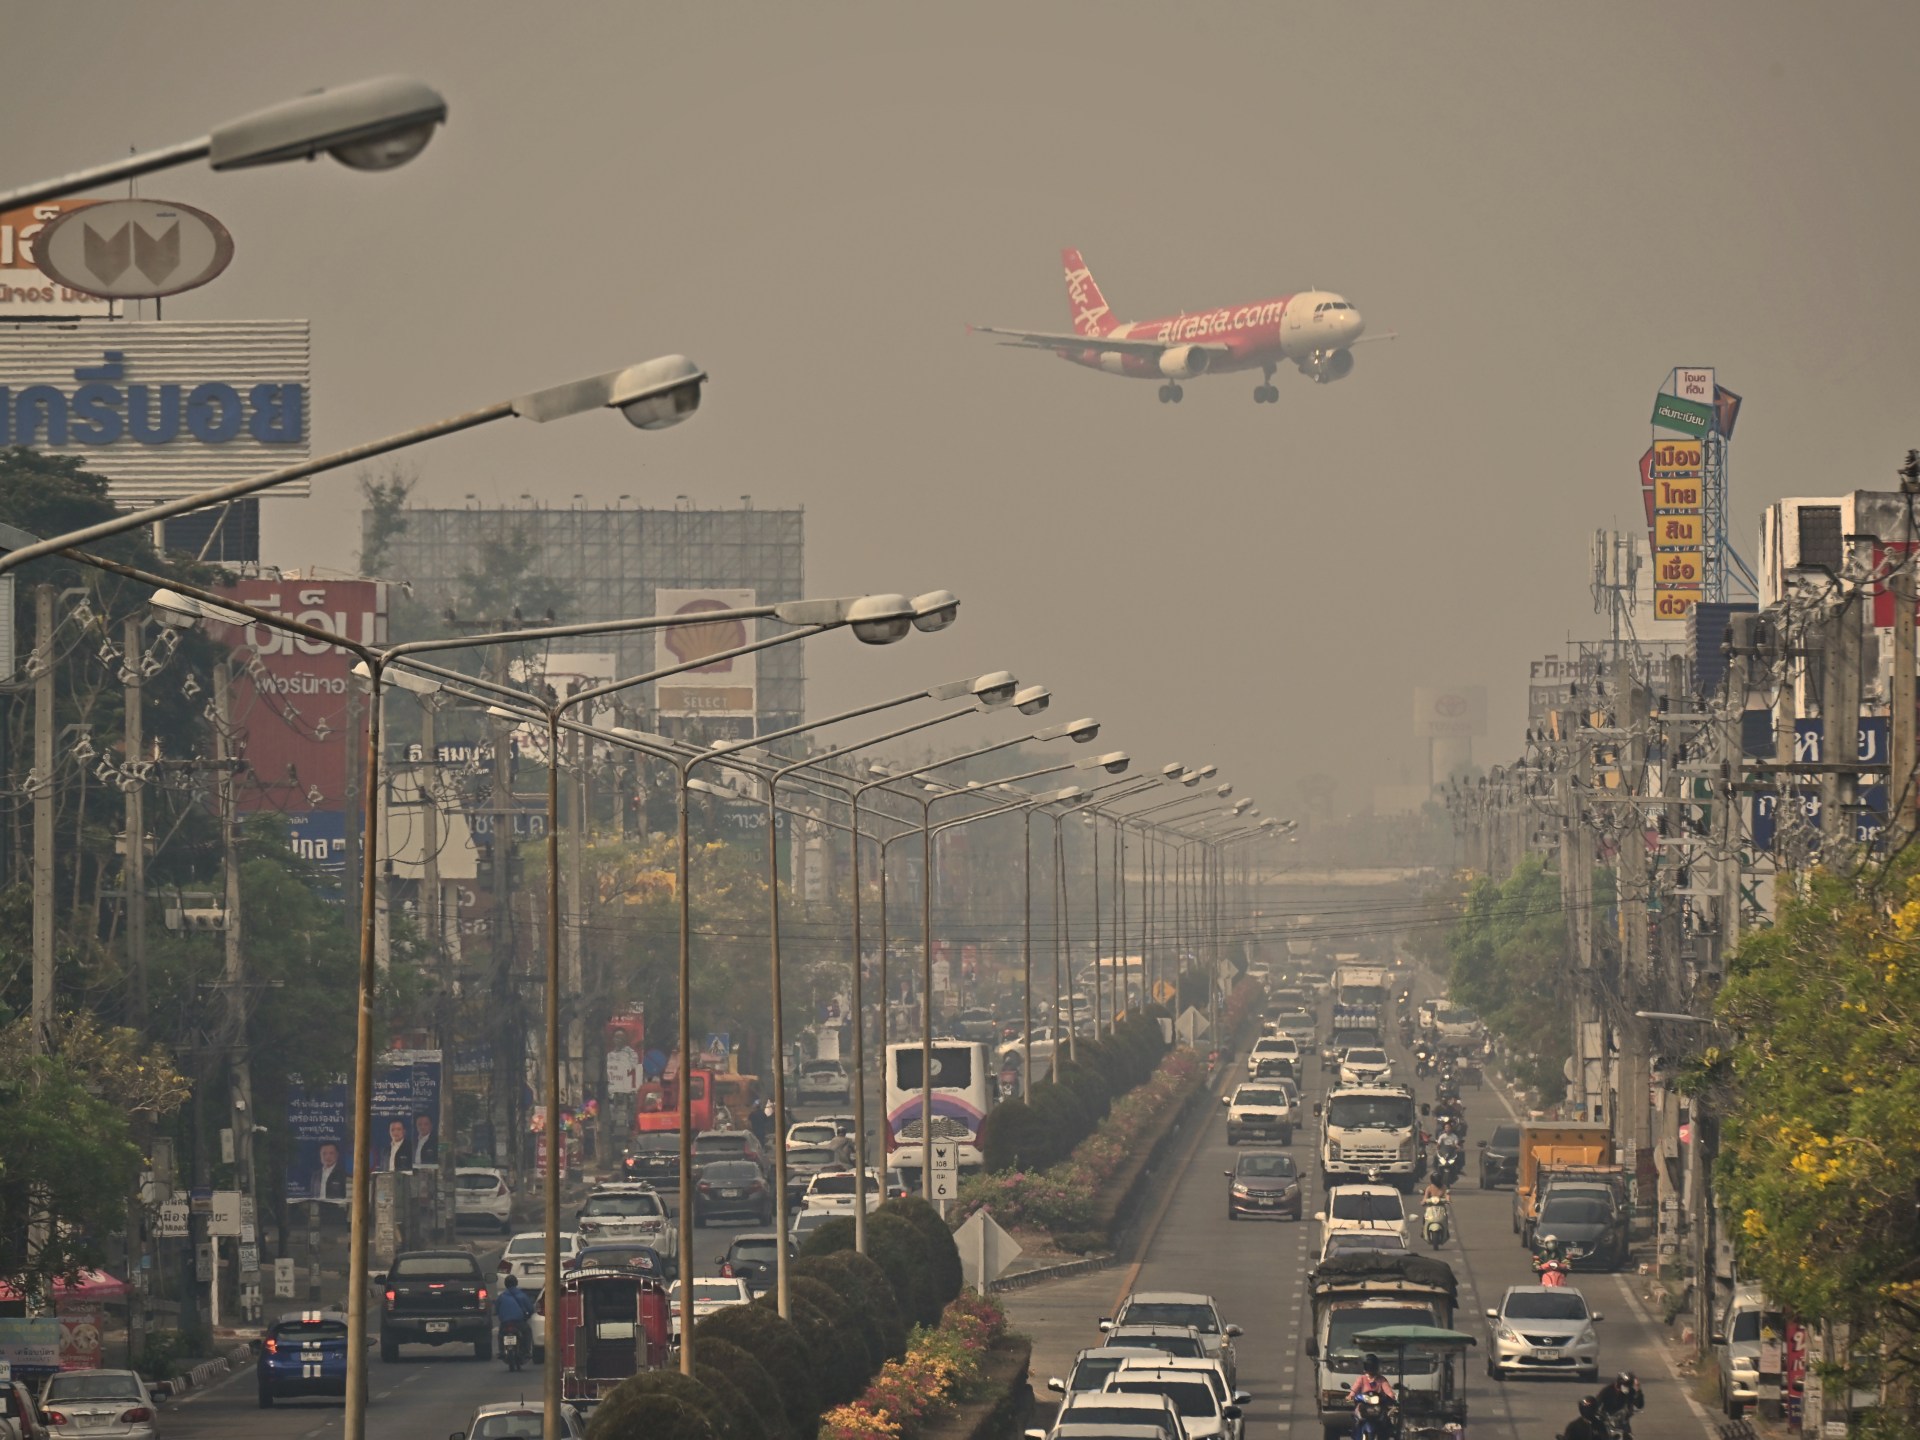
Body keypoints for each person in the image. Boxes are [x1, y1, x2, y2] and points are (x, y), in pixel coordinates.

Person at [495, 1274, 536, 1350]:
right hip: (519, 1323)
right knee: (527, 1332)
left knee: (501, 1335)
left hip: (505, 1323)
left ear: (505, 1284)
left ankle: (501, 1350)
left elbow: (496, 1310)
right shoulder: (522, 1295)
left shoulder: (501, 1296)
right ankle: (527, 1351)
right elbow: (530, 1309)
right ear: (516, 1283)